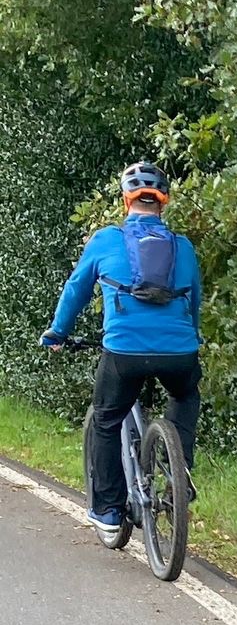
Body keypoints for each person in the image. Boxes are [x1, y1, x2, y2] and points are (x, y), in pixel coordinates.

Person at [42, 160, 202, 540]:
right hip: (180, 352)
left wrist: (57, 332)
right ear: (162, 202)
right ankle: (178, 475)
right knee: (184, 394)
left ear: (126, 200)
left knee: (106, 418)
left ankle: (109, 511)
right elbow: (194, 300)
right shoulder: (183, 247)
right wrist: (190, 338)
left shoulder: (106, 240)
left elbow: (76, 290)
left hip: (124, 352)